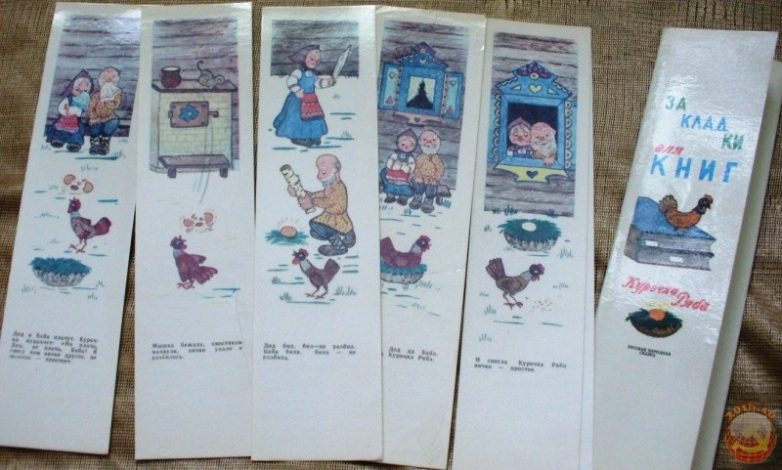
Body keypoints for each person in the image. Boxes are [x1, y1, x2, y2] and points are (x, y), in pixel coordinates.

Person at [288, 154, 355, 256]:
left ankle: (339, 247)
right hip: (331, 217)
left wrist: (311, 202)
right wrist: (301, 193)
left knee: (314, 225)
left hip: (338, 220)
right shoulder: (331, 185)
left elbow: (327, 202)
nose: (318, 176)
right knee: (314, 232)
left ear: (335, 170)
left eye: (323, 172)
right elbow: (320, 194)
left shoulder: (338, 188)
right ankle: (343, 238)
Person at [273, 45, 336, 147]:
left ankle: (314, 136)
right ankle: (297, 136)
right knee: (297, 118)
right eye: (312, 59)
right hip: (297, 100)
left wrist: (328, 83)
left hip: (311, 100)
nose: (314, 62)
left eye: (317, 61)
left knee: (313, 117)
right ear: (303, 57)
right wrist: (297, 89)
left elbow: (317, 83)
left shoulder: (313, 74)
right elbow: (291, 81)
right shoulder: (298, 72)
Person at [46, 69, 92, 152]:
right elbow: (61, 107)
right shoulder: (68, 99)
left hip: (76, 122)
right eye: (77, 90)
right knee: (59, 130)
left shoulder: (85, 102)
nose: (80, 93)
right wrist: (66, 112)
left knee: (77, 133)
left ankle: (74, 143)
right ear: (72, 89)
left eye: (84, 91)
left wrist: (83, 114)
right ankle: (58, 140)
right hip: (64, 119)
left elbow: (84, 113)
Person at [88, 67, 123, 155]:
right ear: (100, 81)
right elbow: (91, 107)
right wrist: (93, 117)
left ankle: (104, 142)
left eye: (112, 77)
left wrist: (107, 99)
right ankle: (95, 144)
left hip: (109, 117)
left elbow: (114, 105)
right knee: (95, 128)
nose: (108, 80)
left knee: (114, 122)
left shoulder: (116, 94)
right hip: (97, 118)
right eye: (105, 77)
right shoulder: (96, 95)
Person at [410, 129, 445, 214]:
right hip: (421, 178)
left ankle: (428, 200)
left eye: (433, 140)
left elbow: (440, 169)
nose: (429, 143)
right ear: (420, 142)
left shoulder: (436, 159)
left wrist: (435, 178)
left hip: (431, 179)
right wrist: (418, 176)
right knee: (418, 183)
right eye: (425, 140)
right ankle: (417, 197)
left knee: (431, 186)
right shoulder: (420, 157)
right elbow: (416, 167)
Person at [379, 128, 417, 205]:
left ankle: (403, 197)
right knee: (390, 186)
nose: (406, 147)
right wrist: (398, 166)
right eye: (403, 144)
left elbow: (411, 168)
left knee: (406, 189)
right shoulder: (394, 155)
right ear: (398, 144)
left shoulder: (411, 158)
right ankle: (390, 195)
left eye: (410, 145)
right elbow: (389, 164)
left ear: (414, 147)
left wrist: (405, 167)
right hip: (393, 178)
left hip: (404, 180)